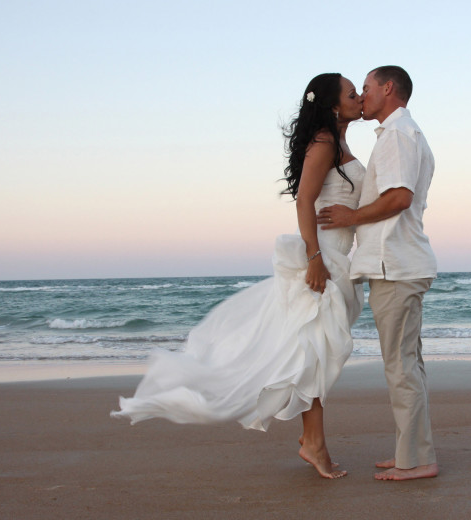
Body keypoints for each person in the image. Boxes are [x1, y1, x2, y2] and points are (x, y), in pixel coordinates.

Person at [111, 73, 365, 480]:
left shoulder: (340, 142)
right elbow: (304, 201)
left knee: (310, 355)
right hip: (324, 262)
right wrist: (315, 257)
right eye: (352, 94)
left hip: (338, 260)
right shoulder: (325, 142)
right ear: (334, 105)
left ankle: (311, 440)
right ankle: (314, 444)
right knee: (312, 355)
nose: (359, 99)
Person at [317, 66, 438, 481]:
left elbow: (400, 198)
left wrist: (353, 215)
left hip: (396, 266)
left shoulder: (398, 135)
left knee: (401, 367)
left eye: (366, 88)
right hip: (399, 264)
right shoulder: (401, 134)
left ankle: (417, 462)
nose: (362, 95)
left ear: (388, 89)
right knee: (408, 365)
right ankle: (413, 451)